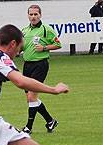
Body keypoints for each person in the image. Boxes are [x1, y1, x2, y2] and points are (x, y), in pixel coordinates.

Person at [21, 4, 62, 134]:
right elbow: (22, 47)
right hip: (27, 65)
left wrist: (44, 48)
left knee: (32, 96)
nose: (33, 17)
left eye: (35, 14)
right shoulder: (24, 31)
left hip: (40, 65)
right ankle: (50, 121)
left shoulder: (46, 29)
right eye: (31, 14)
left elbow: (58, 44)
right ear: (28, 15)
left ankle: (28, 127)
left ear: (40, 15)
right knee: (30, 98)